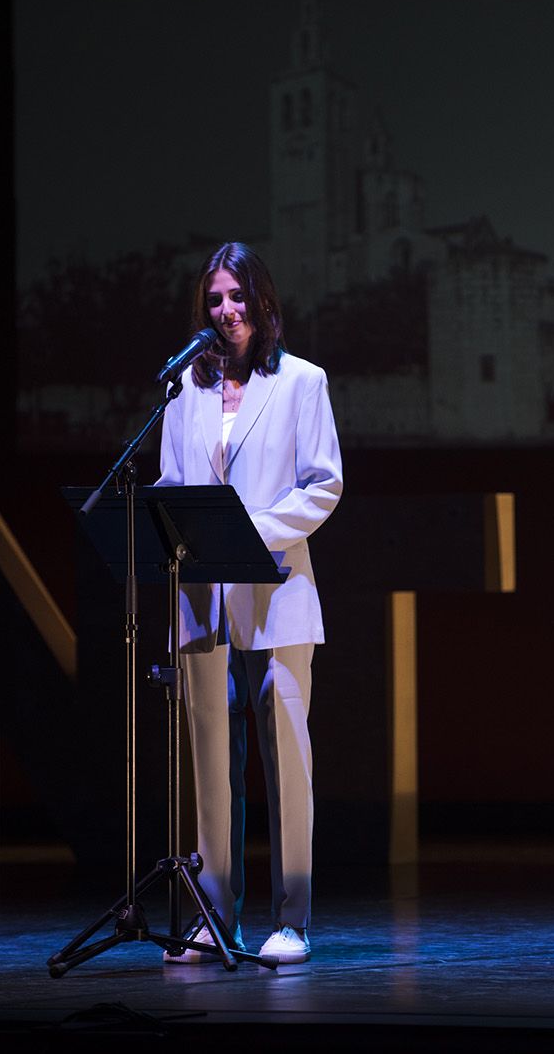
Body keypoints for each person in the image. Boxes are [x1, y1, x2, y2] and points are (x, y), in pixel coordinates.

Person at [156, 241, 344, 965]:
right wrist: (196, 534)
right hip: (204, 601)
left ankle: (292, 920)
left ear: (262, 303)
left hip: (278, 598)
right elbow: (173, 482)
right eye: (214, 300)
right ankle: (212, 919)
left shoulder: (302, 383)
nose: (226, 311)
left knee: (286, 761)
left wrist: (246, 534)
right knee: (210, 763)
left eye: (237, 298)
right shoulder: (185, 392)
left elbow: (322, 484)